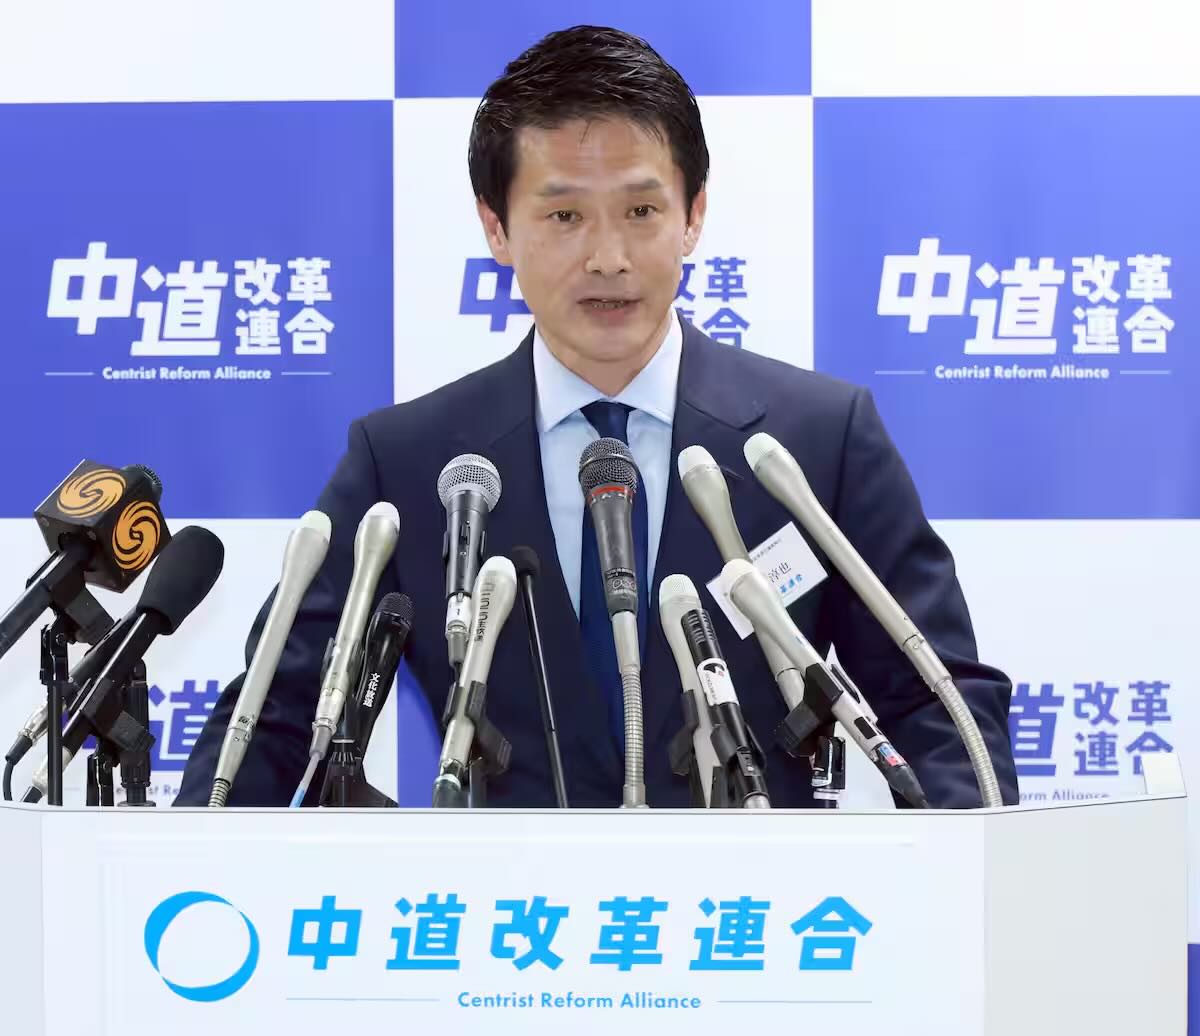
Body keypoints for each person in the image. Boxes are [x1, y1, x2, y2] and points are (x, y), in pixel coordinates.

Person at [176, 25, 1018, 808]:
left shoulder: (813, 442)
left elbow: (934, 704)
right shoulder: (406, 460)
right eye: (564, 215)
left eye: (642, 211)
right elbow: (275, 718)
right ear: (497, 228)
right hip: (504, 915)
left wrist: (971, 883)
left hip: (754, 911)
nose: (608, 258)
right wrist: (182, 878)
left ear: (693, 216)